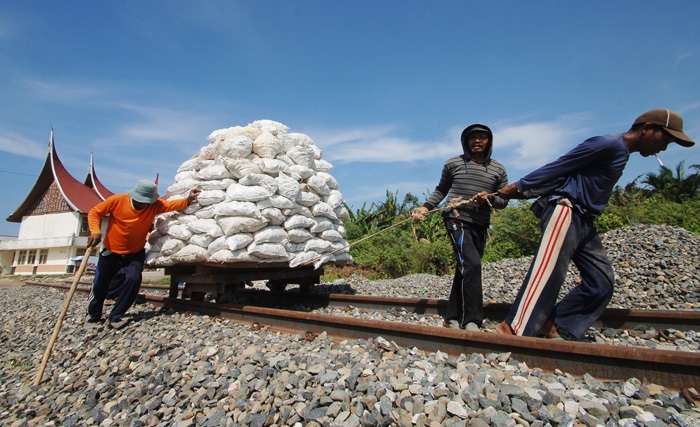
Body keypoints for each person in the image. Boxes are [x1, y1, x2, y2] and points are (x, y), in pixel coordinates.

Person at [495, 109, 695, 340]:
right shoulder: (609, 143)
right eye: (666, 139)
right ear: (647, 128)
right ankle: (511, 329)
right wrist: (519, 186)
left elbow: (569, 174)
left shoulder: (621, 152)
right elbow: (561, 165)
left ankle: (553, 323)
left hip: (585, 220)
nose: (664, 148)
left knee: (601, 282)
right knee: (548, 273)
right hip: (566, 210)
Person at [412, 124, 509, 329]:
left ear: (489, 141)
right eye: (473, 137)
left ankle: (452, 316)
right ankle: (472, 319)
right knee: (472, 264)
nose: (477, 141)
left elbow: (503, 201)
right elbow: (441, 190)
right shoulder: (453, 163)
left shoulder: (498, 169)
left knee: (465, 267)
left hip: (480, 223)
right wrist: (426, 207)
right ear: (465, 141)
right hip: (456, 218)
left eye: (482, 137)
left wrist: (489, 198)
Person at [85, 179, 201, 329]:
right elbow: (95, 212)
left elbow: (171, 205)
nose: (143, 204)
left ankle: (116, 316)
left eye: (146, 202)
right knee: (100, 284)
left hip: (134, 253)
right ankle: (92, 318)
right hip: (110, 252)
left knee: (133, 281)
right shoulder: (117, 201)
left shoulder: (154, 205)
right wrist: (95, 231)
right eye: (140, 201)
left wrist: (189, 199)